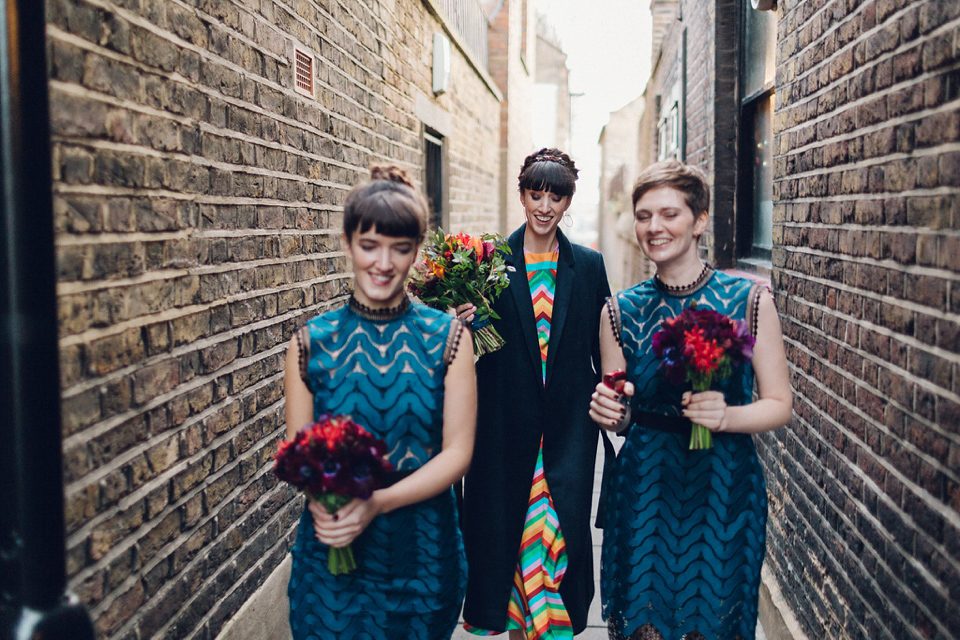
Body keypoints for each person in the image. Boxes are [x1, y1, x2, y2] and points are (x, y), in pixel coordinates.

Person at [588, 159, 793, 640]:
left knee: (712, 627)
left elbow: (780, 404)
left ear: (700, 220)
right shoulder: (619, 311)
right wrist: (610, 413)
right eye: (643, 216)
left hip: (724, 488)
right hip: (645, 489)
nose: (653, 227)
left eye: (668, 214)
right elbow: (621, 410)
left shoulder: (749, 301)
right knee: (645, 628)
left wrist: (727, 415)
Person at [283, 166, 477, 639]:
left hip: (423, 554)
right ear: (349, 243)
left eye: (400, 248)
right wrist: (327, 505)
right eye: (370, 245)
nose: (384, 263)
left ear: (415, 252)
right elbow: (300, 451)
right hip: (332, 558)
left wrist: (378, 503)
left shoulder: (448, 338)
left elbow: (457, 453)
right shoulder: (311, 344)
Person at [458, 148, 611, 638]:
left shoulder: (588, 266)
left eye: (556, 196)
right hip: (503, 428)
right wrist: (460, 324)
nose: (545, 206)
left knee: (555, 539)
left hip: (568, 431)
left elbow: (603, 348)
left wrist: (613, 399)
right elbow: (472, 353)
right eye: (535, 194)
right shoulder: (488, 265)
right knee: (509, 538)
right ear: (522, 195)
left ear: (568, 202)